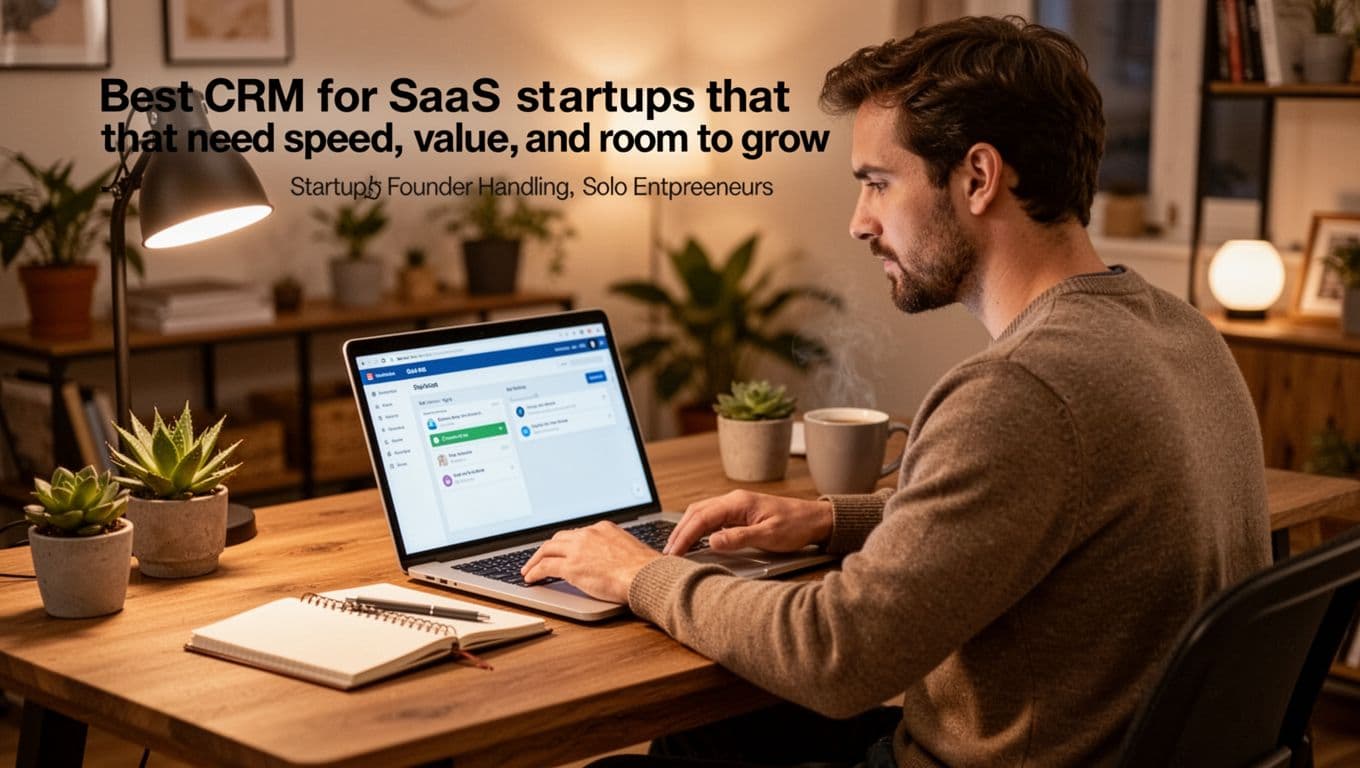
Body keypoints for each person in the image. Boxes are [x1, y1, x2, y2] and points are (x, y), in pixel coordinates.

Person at [522, 15, 1270, 767]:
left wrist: (641, 573)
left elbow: (836, 657)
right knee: (705, 737)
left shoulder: (1016, 389)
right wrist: (826, 520)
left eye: (877, 184)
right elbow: (1040, 504)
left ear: (978, 177)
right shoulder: (1179, 330)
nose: (858, 223)